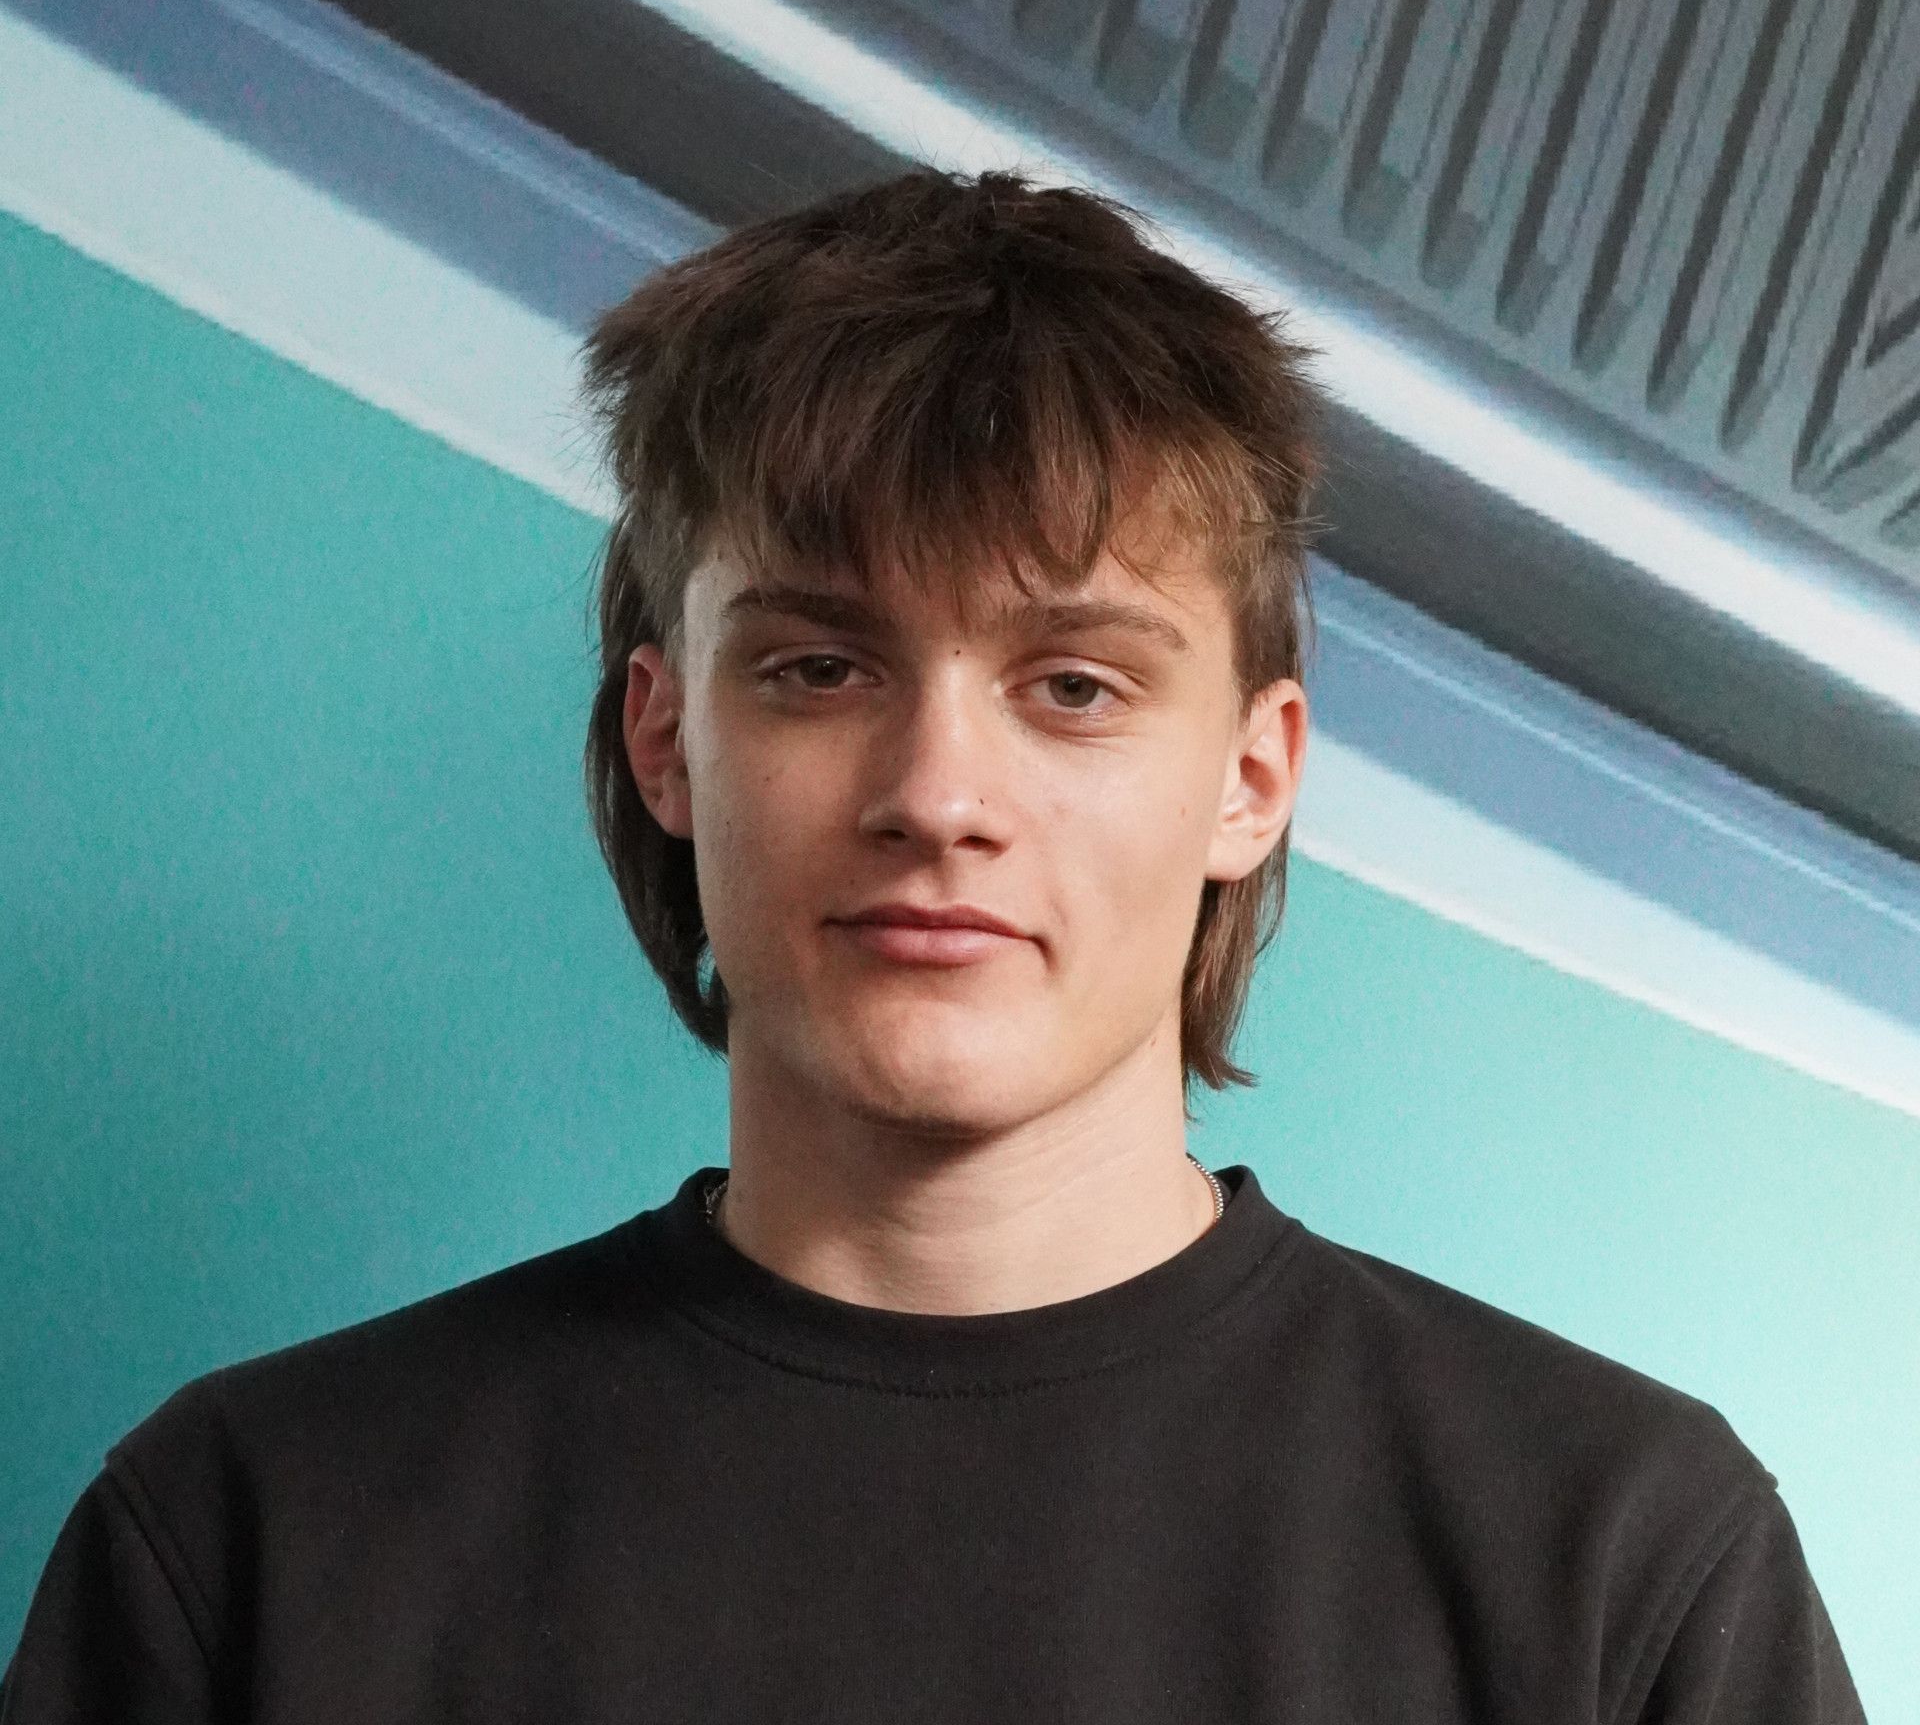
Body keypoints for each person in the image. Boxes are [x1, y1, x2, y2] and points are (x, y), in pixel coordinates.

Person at [3, 168, 1865, 1722]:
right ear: (667, 736)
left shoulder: (1620, 1563)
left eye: (1073, 685)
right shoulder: (252, 1540)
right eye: (822, 668)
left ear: (1252, 776)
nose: (938, 794)